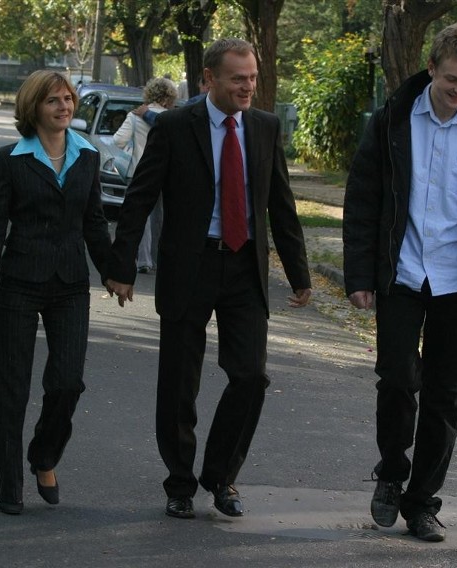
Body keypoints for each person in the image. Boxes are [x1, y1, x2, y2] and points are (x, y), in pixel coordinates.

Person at [106, 38, 312, 520]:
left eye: (253, 77)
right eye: (238, 78)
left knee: (251, 376)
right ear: (208, 80)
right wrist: (121, 267)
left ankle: (220, 476)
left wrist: (299, 274)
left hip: (244, 267)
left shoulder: (264, 127)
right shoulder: (175, 126)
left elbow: (281, 205)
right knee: (180, 382)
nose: (248, 86)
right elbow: (140, 196)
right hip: (190, 265)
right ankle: (180, 482)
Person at [342, 23, 457, 542]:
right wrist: (359, 273)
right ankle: (392, 472)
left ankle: (421, 502)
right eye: (451, 80)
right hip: (402, 272)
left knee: (445, 395)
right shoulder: (393, 120)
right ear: (431, 70)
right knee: (397, 380)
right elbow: (363, 198)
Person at [0, 70, 111, 515]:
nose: (64, 106)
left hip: (70, 284)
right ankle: (9, 484)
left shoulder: (87, 155)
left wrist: (113, 273)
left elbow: (94, 221)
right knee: (10, 387)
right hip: (20, 282)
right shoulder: (10, 159)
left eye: (67, 99)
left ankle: (44, 455)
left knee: (68, 382)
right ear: (34, 107)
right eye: (53, 100)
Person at [113, 77, 178, 273]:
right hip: (166, 174)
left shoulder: (135, 116)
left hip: (138, 171)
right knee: (161, 217)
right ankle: (159, 258)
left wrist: (132, 148)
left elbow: (118, 140)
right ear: (168, 97)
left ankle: (143, 260)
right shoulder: (173, 118)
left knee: (141, 216)